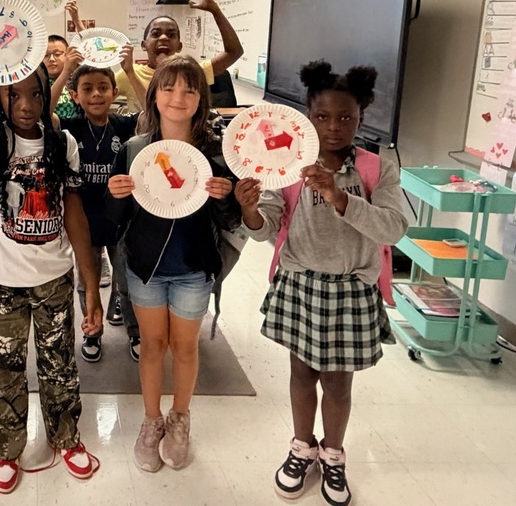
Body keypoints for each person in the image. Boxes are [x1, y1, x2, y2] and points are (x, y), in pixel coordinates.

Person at [234, 61, 408, 505]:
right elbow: (267, 227)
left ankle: (333, 454)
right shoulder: (287, 162)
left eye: (346, 117)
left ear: (362, 116)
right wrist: (250, 209)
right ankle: (301, 446)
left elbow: (393, 228)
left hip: (351, 290)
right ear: (307, 116)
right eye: (323, 116)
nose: (334, 127)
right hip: (300, 282)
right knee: (300, 371)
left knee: (338, 382)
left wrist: (339, 196)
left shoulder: (376, 168)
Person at [0, 63, 103, 494]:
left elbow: (75, 214)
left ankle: (66, 437)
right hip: (0, 281)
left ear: (48, 92)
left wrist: (90, 285)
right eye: (14, 95)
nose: (26, 105)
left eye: (35, 93)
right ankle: (8, 448)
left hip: (54, 278)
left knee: (59, 366)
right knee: (3, 371)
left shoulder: (62, 143)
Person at [106, 56, 242, 473]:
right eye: (168, 88)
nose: (178, 97)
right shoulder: (133, 150)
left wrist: (225, 196)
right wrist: (116, 195)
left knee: (185, 347)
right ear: (154, 95)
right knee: (152, 346)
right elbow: (116, 224)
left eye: (189, 89)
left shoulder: (214, 153)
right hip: (146, 268)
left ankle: (180, 418)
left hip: (193, 269)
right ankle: (151, 420)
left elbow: (231, 222)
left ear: (201, 99)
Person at [57, 46, 144, 363]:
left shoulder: (122, 126)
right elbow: (45, 114)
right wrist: (66, 69)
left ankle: (135, 333)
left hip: (121, 222)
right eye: (88, 89)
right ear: (76, 95)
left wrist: (131, 71)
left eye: (103, 88)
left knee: (126, 283)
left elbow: (154, 113)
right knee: (87, 281)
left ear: (114, 91)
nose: (96, 94)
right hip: (84, 224)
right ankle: (91, 331)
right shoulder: (71, 127)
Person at [114, 0, 243, 113]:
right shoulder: (128, 72)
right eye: (155, 34)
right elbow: (97, 96)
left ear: (179, 46)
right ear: (144, 45)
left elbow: (234, 52)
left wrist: (215, 11)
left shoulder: (192, 72)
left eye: (171, 35)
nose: (163, 38)